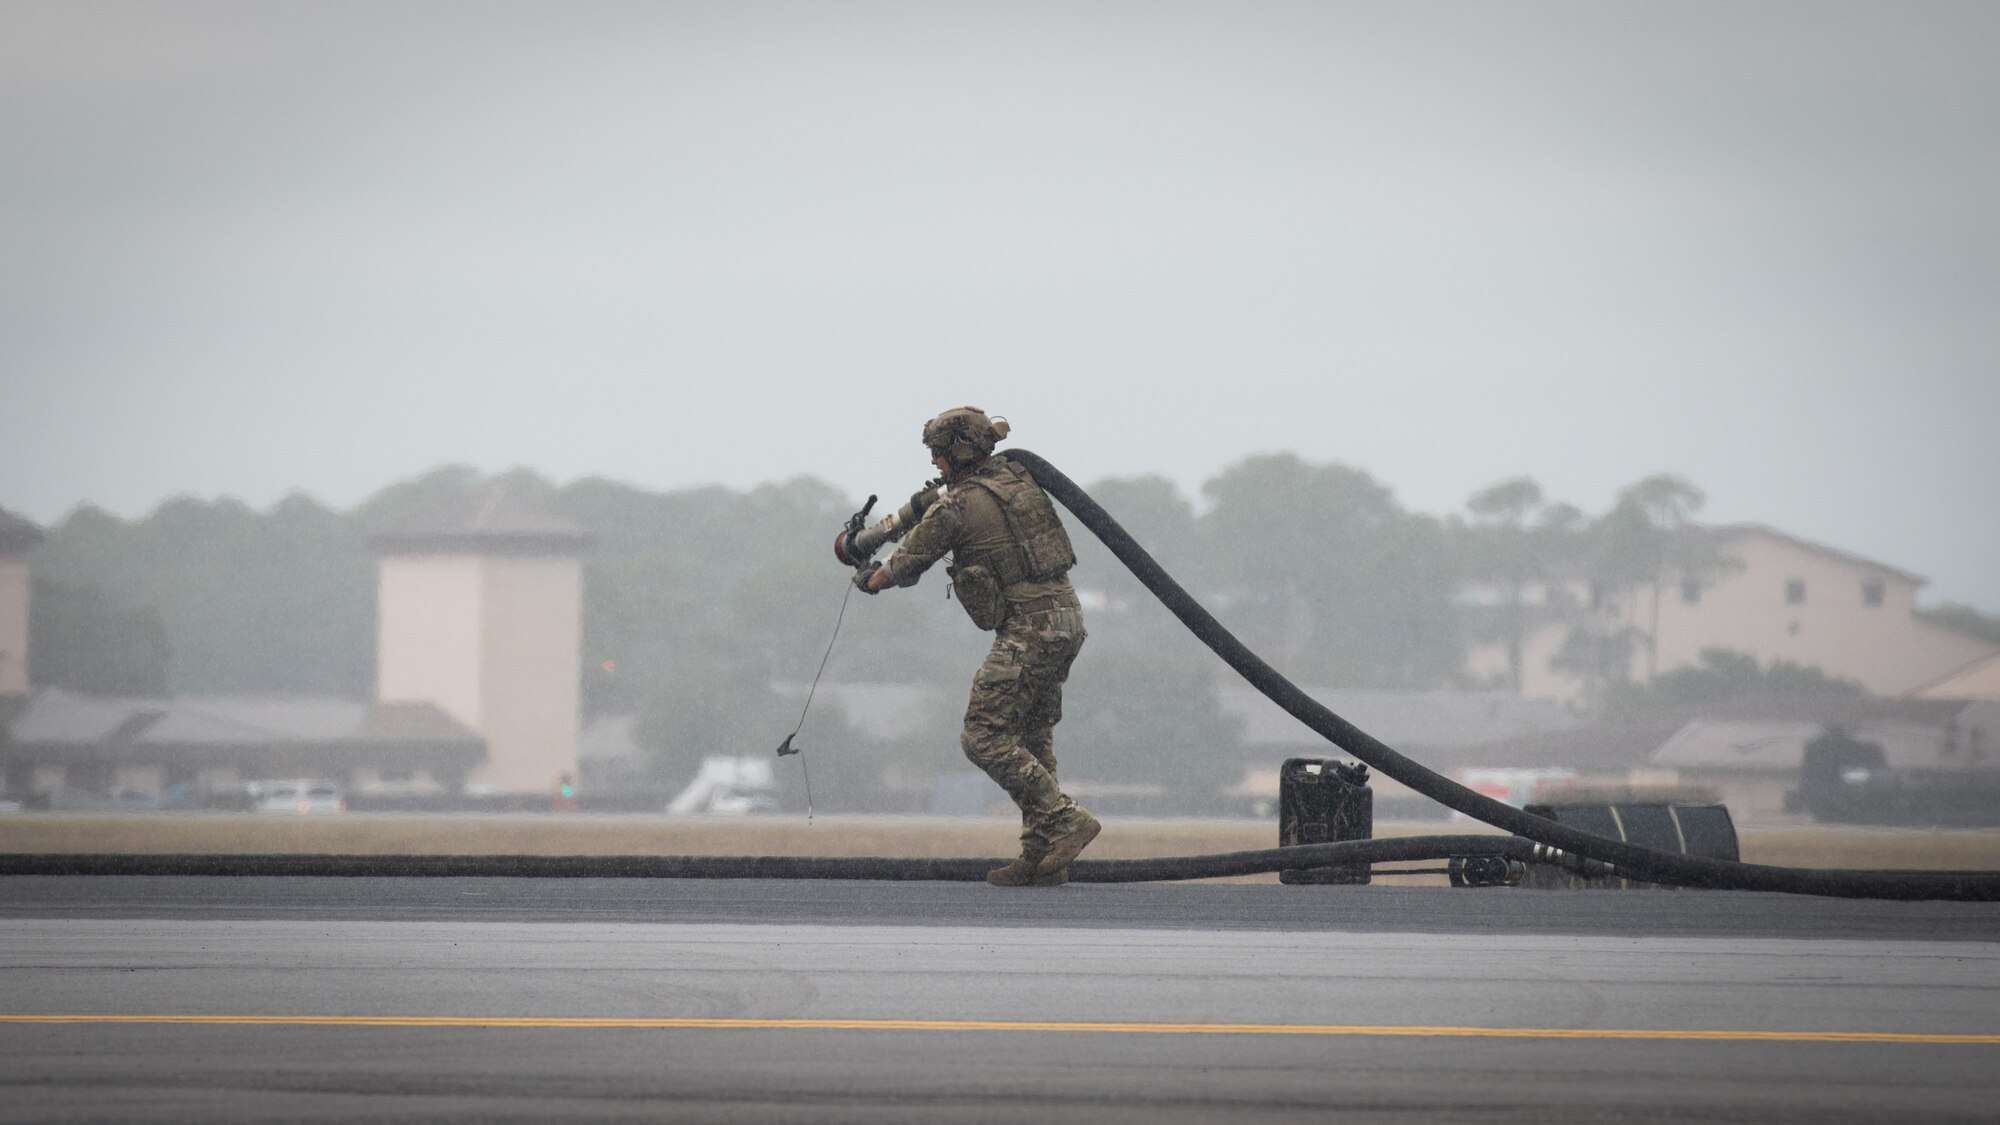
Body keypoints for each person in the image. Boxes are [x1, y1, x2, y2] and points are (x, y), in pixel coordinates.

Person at [857, 407, 1100, 886]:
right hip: (1066, 619)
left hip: (1029, 628)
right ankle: (1041, 858)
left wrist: (868, 578)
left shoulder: (956, 507)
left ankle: (1066, 820)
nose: (936, 466)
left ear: (960, 452)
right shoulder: (1018, 479)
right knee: (1031, 736)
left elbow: (898, 569)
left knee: (982, 736)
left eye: (940, 456)